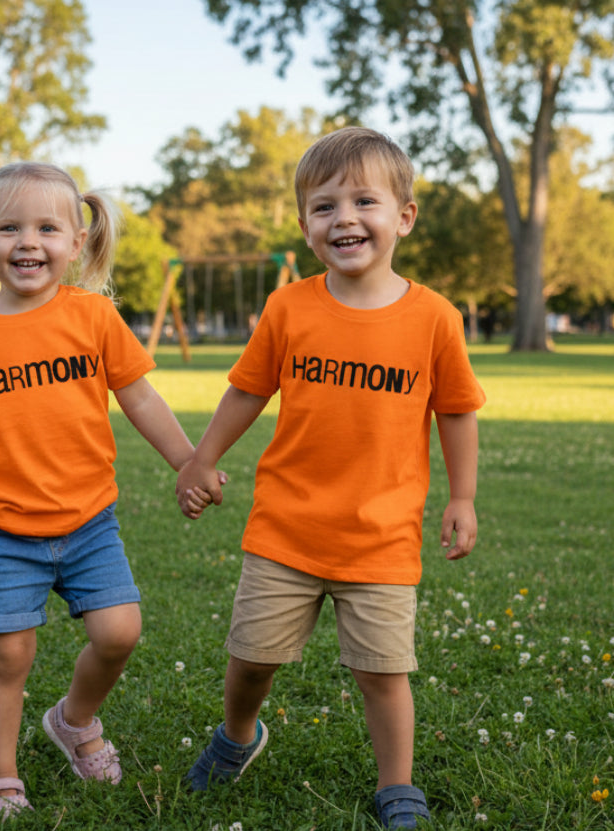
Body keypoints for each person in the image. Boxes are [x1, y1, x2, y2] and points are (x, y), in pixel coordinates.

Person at [175, 127, 486, 829]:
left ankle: (395, 784)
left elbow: (457, 410)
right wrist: (202, 455)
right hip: (285, 527)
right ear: (304, 227)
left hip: (380, 535)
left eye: (363, 201)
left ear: (403, 216)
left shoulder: (434, 317)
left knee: (382, 672)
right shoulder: (289, 307)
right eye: (323, 206)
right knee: (251, 659)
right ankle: (236, 735)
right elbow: (248, 391)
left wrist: (461, 496)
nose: (343, 218)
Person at [0, 162, 208, 819]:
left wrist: (187, 460)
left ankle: (74, 719)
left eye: (46, 228)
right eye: (8, 228)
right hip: (2, 528)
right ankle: (0, 777)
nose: (28, 242)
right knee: (9, 654)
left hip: (89, 521)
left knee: (120, 632)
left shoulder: (93, 316)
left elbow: (138, 396)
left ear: (77, 241)